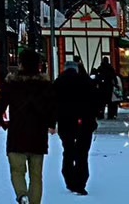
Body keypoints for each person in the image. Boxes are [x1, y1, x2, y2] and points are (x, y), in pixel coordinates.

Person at [0, 49, 56, 204]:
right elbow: (52, 108)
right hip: (38, 136)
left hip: (17, 134)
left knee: (17, 171)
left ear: (21, 64)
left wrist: (3, 123)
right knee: (36, 175)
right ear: (38, 65)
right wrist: (51, 124)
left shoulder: (11, 84)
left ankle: (22, 195)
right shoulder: (45, 84)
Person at [54, 61, 99, 196]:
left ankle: (69, 179)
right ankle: (80, 183)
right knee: (82, 153)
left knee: (68, 150)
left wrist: (52, 121)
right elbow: (96, 100)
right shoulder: (86, 81)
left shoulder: (58, 82)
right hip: (85, 121)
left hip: (65, 122)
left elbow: (51, 102)